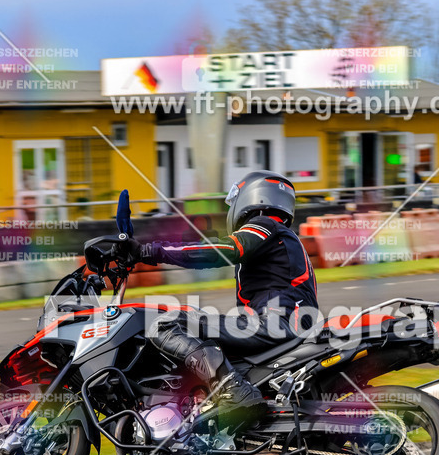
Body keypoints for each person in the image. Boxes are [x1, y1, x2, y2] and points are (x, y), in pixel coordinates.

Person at [130, 170, 317, 432]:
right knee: (195, 318)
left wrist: (150, 251)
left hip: (273, 324)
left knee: (165, 324)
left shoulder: (265, 225)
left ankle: (232, 390)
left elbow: (223, 251)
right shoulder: (283, 239)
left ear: (252, 197)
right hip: (284, 325)